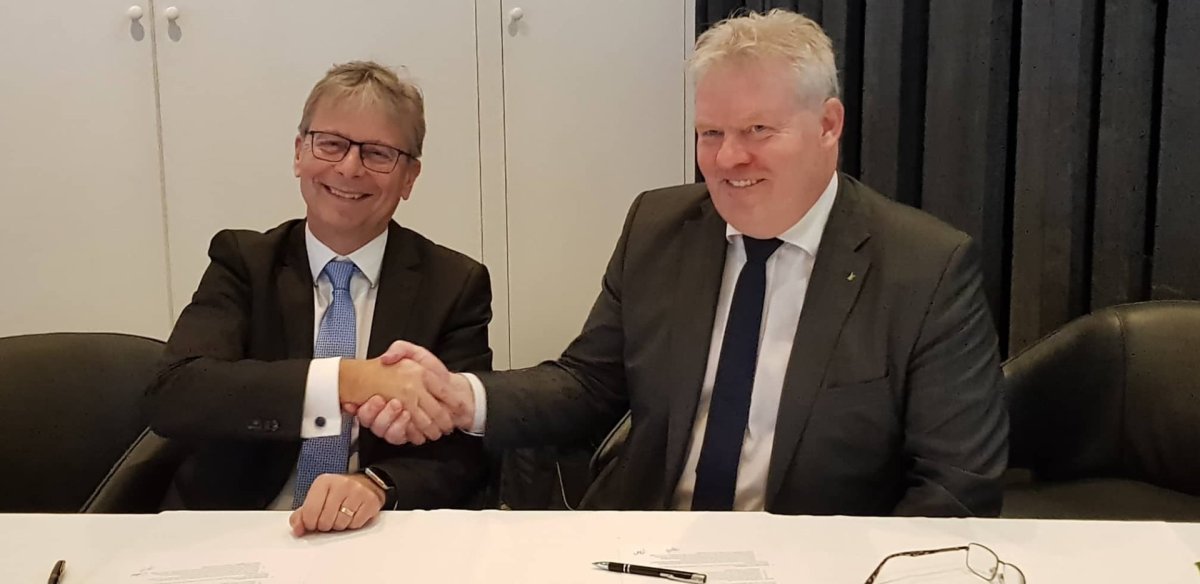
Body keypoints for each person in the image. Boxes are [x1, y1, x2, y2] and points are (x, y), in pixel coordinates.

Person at [362, 8, 1009, 516]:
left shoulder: (925, 268)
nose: (728, 159)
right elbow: (588, 385)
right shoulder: (660, 227)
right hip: (649, 546)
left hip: (817, 561)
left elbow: (956, 486)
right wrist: (462, 397)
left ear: (828, 125)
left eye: (758, 131)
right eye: (710, 133)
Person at [145, 61, 492, 535]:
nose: (349, 168)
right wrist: (349, 379)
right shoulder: (244, 262)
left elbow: (463, 451)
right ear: (299, 153)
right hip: (236, 526)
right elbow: (177, 395)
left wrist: (377, 485)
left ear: (409, 177)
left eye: (378, 153)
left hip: (375, 532)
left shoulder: (454, 284)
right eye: (331, 144)